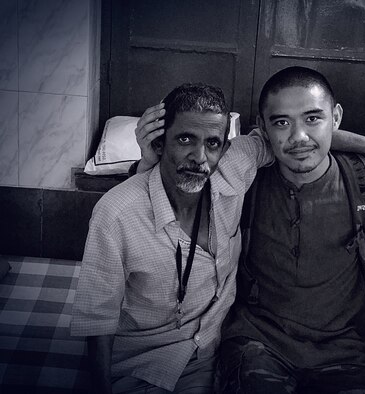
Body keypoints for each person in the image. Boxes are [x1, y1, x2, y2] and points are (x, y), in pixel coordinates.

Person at [70, 83, 274, 393]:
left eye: (212, 143)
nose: (199, 157)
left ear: (225, 148)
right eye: (185, 139)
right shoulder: (116, 213)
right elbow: (97, 321)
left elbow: (296, 141)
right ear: (159, 144)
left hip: (223, 349)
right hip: (147, 364)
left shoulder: (235, 165)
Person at [217, 66, 365, 394]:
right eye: (282, 122)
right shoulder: (246, 181)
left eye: (313, 118)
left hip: (344, 348)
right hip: (259, 341)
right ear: (263, 128)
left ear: (336, 117)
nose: (298, 137)